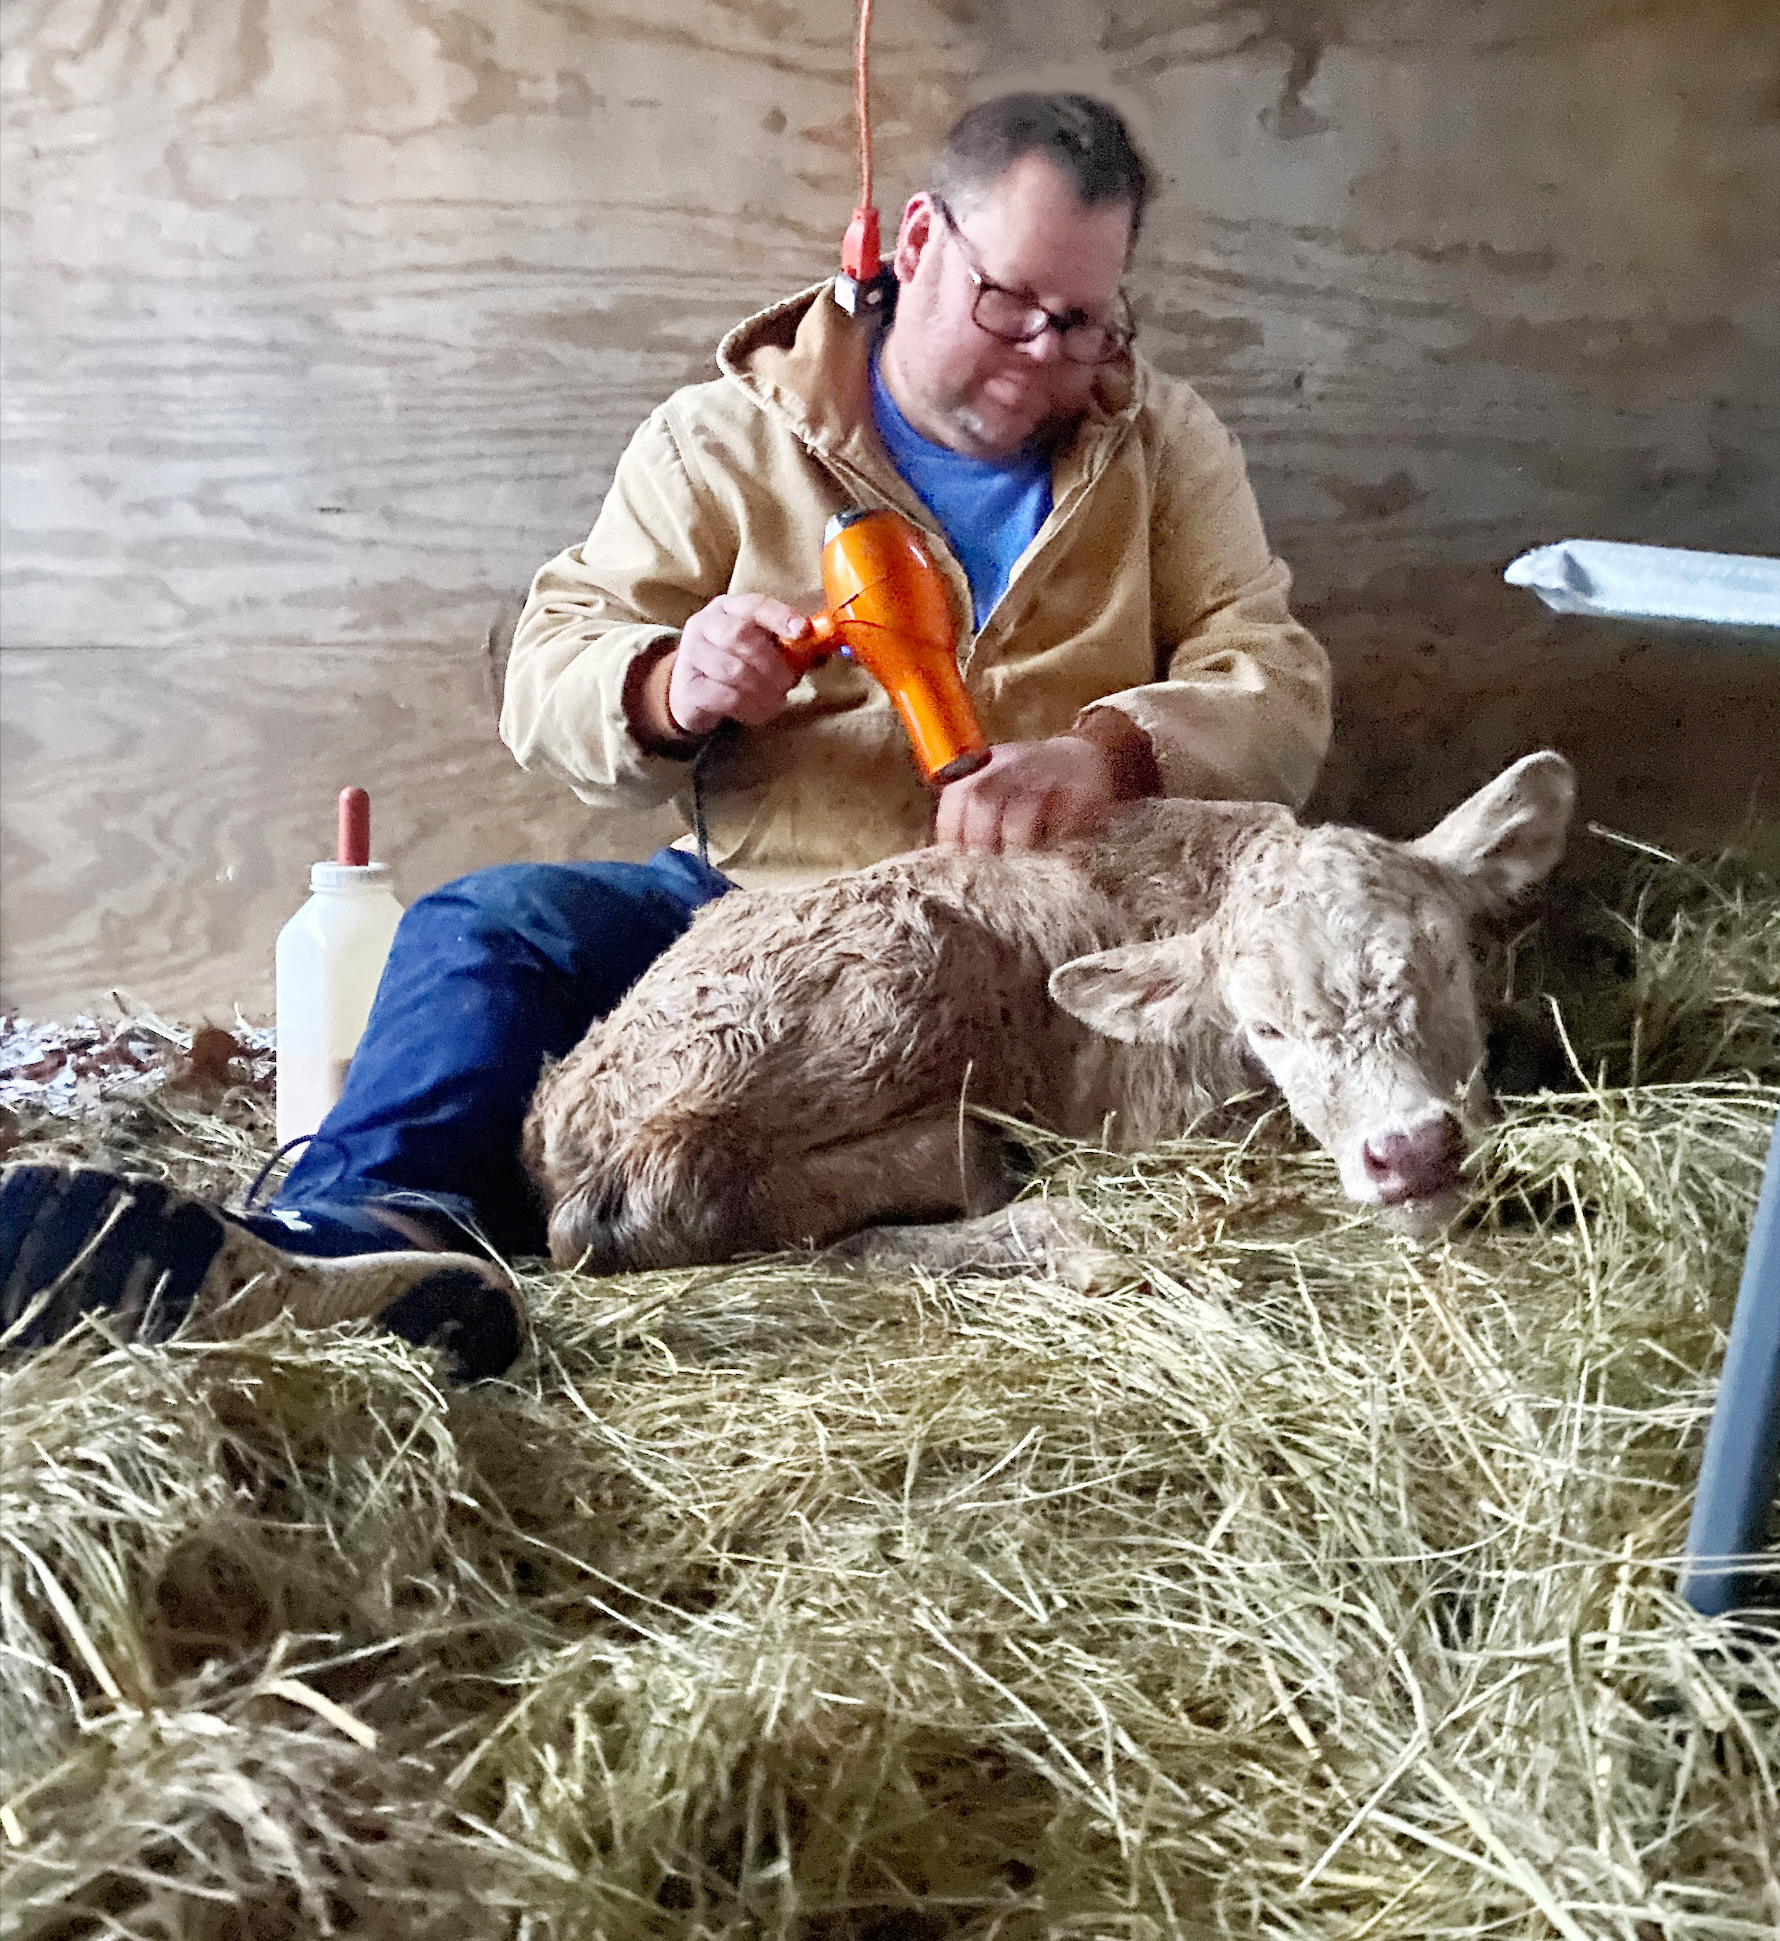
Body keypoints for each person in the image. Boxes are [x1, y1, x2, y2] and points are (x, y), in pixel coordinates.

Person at [0, 93, 1330, 1381]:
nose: (1043, 358)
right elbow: (548, 667)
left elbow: (1273, 677)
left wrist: (1110, 753)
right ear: (918, 244)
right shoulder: (728, 440)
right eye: (1009, 304)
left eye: (1083, 321)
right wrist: (663, 686)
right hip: (762, 913)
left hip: (1054, 941)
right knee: (491, 927)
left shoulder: (1157, 444)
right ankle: (368, 1247)